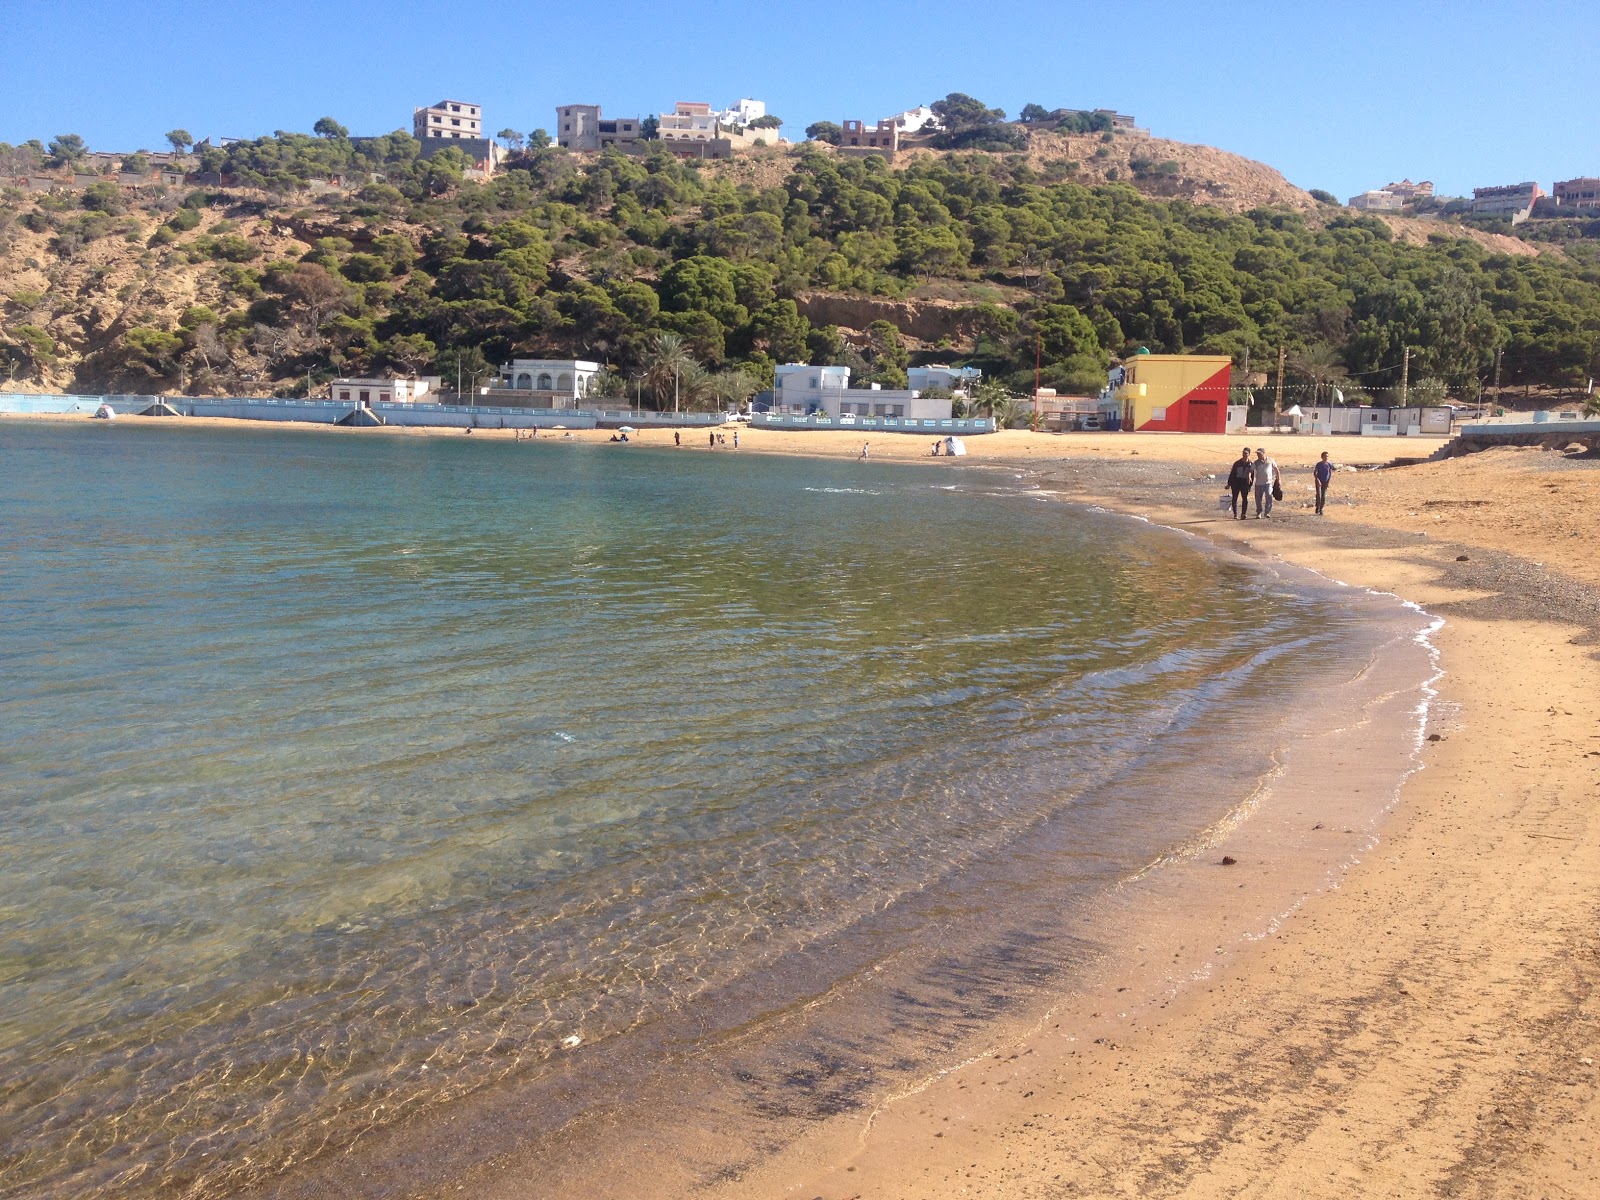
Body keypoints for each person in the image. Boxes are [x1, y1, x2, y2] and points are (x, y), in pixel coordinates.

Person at [1226, 448, 1254, 520]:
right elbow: (1232, 474)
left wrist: (1250, 485)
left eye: (1246, 453)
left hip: (1245, 483)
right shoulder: (1237, 463)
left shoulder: (1250, 464)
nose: (1244, 455)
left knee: (1245, 499)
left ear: (1249, 454)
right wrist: (1229, 483)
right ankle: (1235, 514)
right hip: (1236, 482)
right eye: (1243, 453)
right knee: (1234, 498)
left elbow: (1252, 476)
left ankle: (1243, 514)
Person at [1252, 447, 1278, 517]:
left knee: (1269, 496)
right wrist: (1249, 477)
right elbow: (1250, 470)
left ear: (1263, 453)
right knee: (1258, 499)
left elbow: (1276, 469)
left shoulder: (1270, 460)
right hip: (1258, 484)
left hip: (1268, 483)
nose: (1258, 455)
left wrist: (1278, 479)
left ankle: (1267, 512)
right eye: (1257, 454)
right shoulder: (1256, 462)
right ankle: (1259, 512)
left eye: (1259, 454)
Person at [1314, 451, 1335, 516]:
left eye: (1327, 456)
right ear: (1322, 457)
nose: (1326, 458)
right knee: (1319, 495)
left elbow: (1330, 472)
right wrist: (1318, 480)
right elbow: (1315, 473)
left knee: (1323, 496)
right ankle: (1317, 506)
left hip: (1325, 482)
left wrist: (1328, 481)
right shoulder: (1319, 464)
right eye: (1325, 456)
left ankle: (1321, 509)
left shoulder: (1329, 464)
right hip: (1319, 481)